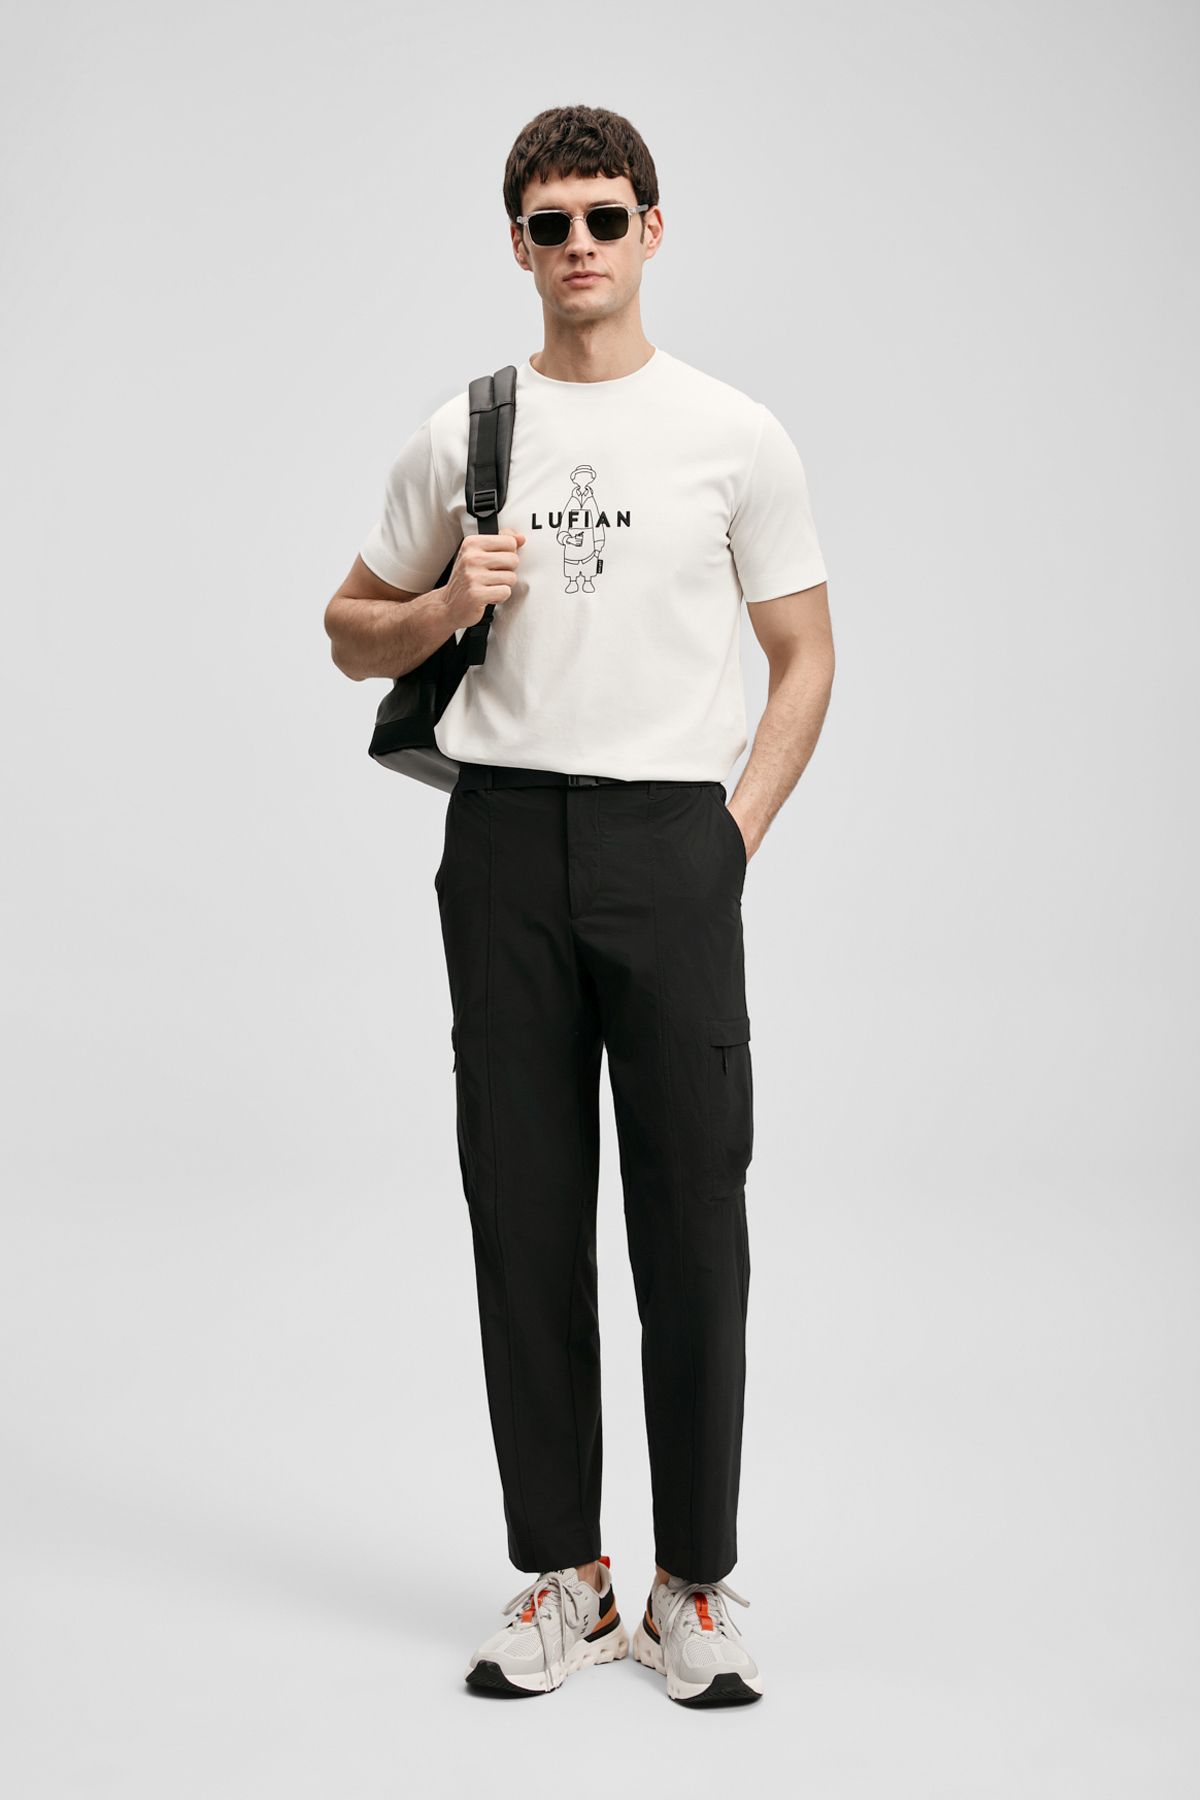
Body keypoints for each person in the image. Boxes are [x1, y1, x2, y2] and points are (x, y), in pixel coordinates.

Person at [324, 103, 835, 1707]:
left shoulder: (735, 433)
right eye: (551, 226)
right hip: (504, 846)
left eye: (606, 218)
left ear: (651, 230)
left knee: (694, 1217)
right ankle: (563, 1575)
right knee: (525, 1213)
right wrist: (438, 605)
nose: (581, 248)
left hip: (674, 842)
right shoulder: (466, 430)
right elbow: (346, 629)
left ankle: (694, 1587)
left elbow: (806, 654)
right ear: (519, 246)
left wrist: (729, 839)